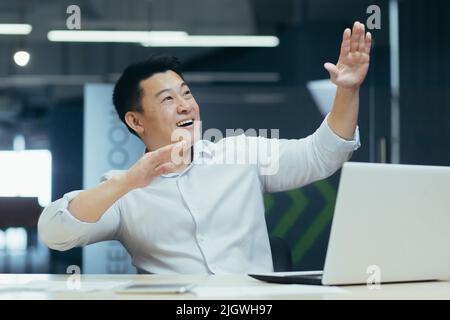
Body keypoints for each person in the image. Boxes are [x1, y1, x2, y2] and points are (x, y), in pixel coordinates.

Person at [38, 21, 371, 274]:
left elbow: (322, 155)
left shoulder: (241, 153)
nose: (185, 105)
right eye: (168, 99)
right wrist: (126, 183)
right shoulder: (124, 191)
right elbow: (55, 232)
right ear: (136, 122)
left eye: (186, 93)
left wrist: (347, 91)